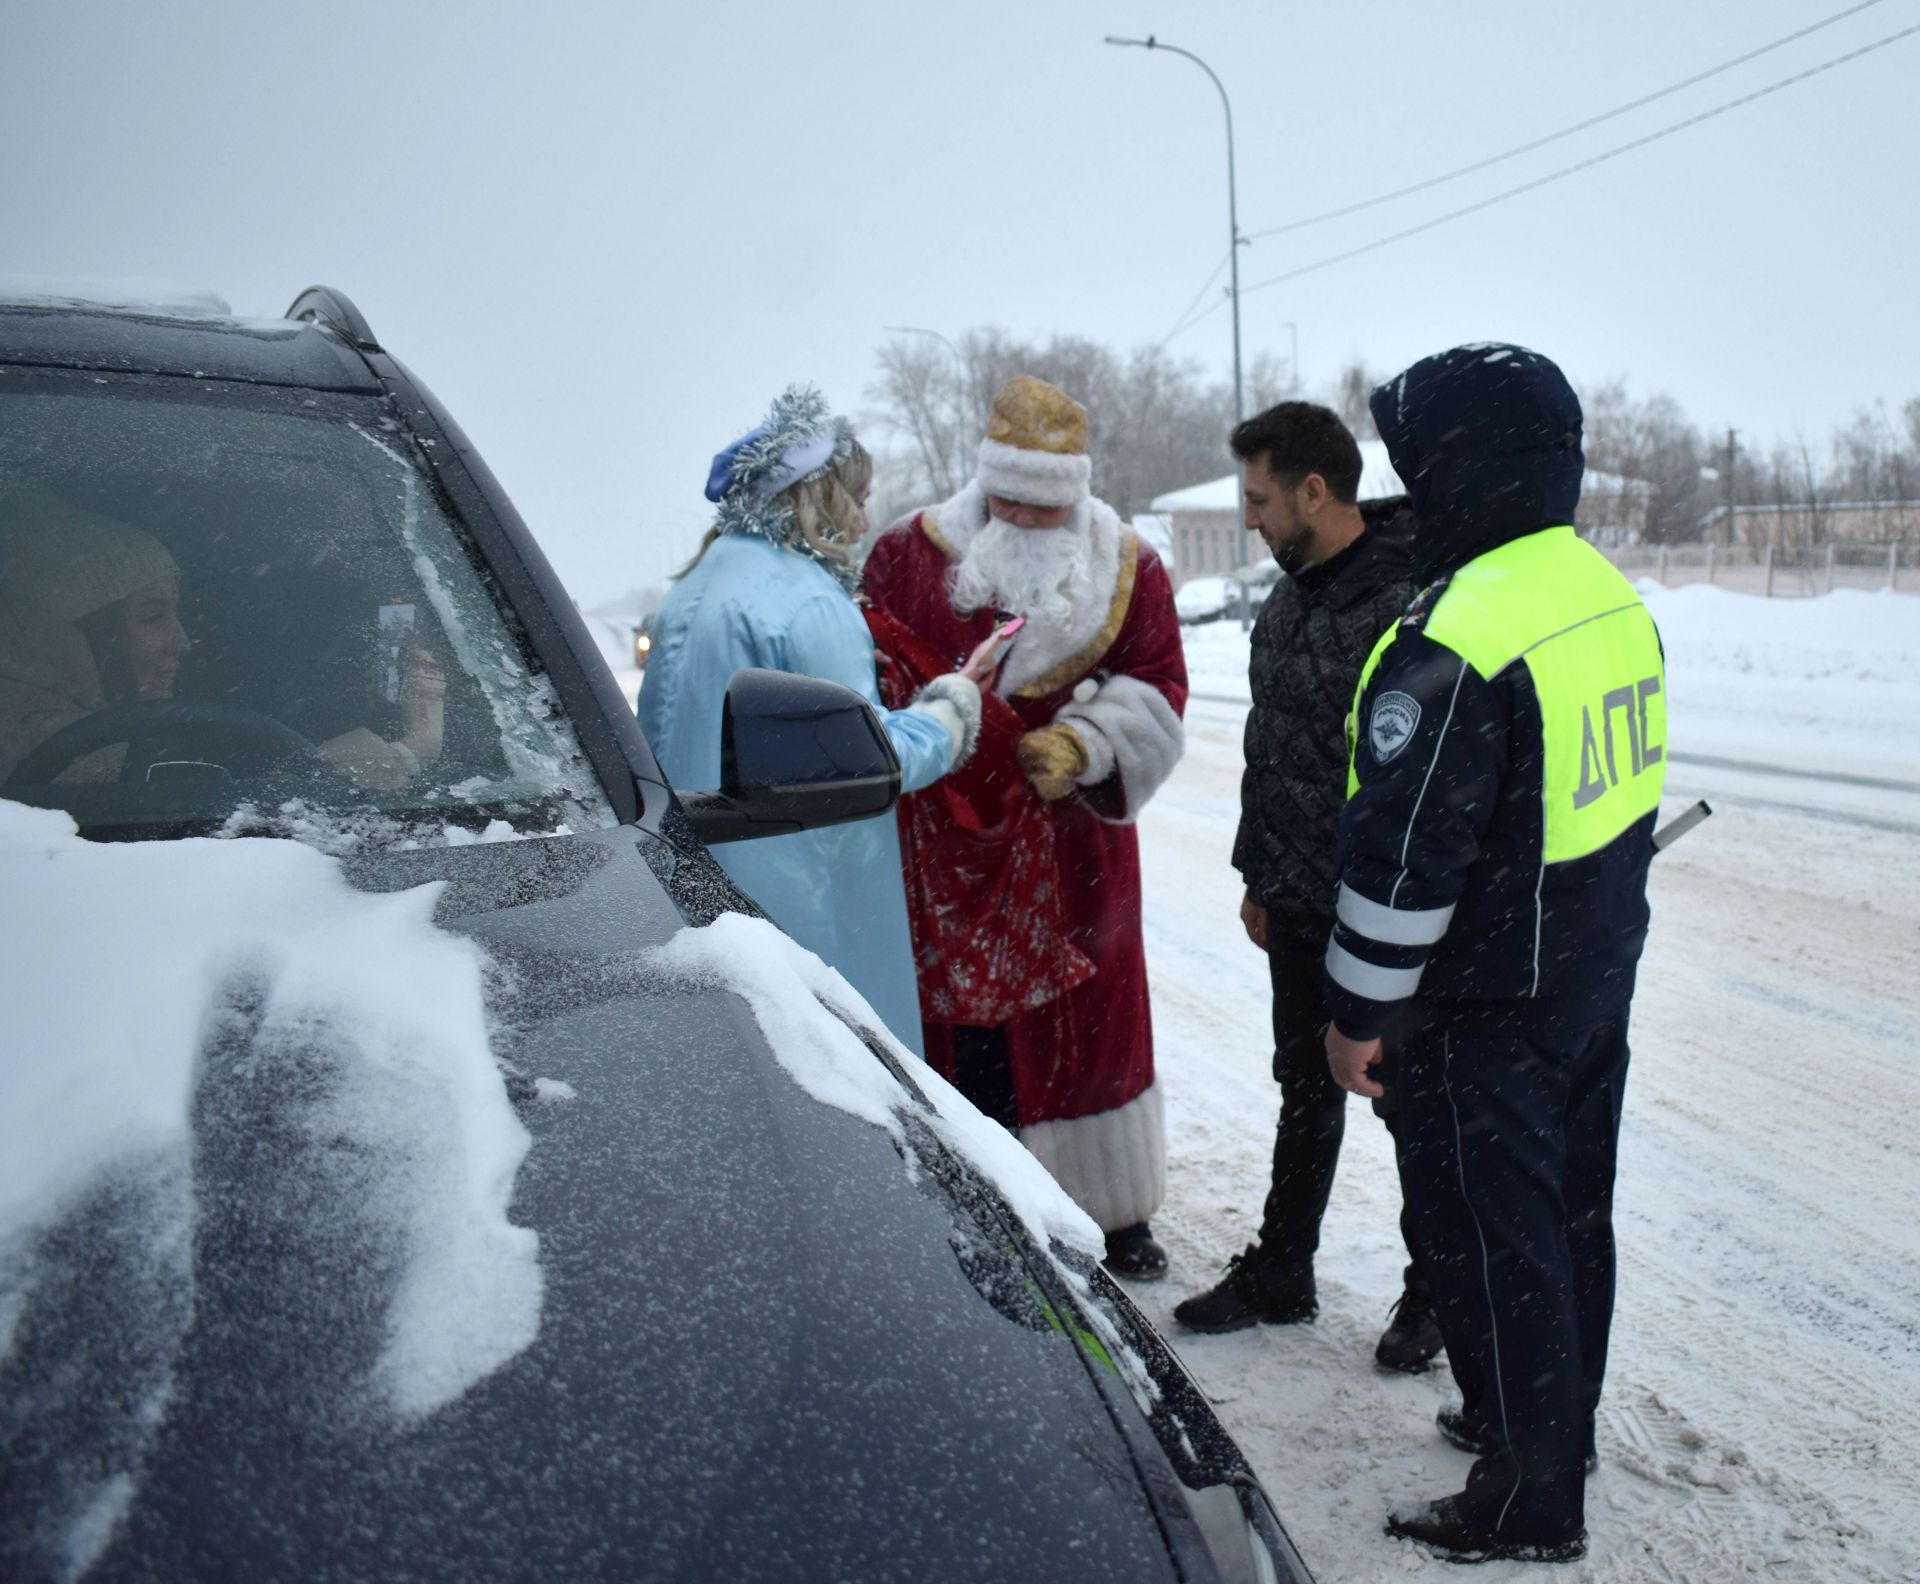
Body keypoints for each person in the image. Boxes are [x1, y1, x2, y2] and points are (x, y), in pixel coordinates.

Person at [1323, 344, 1667, 1565]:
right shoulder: (1598, 588)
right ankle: (1540, 1422)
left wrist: (1355, 1012)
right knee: (1570, 1219)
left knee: (1490, 1233)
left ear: (1460, 469)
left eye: (1415, 462)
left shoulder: (1461, 632)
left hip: (1485, 1003)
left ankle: (1529, 1495)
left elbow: (1409, 857)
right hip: (1589, 972)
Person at [863, 374, 1188, 1279]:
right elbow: (872, 672)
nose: (1029, 525)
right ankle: (974, 1187)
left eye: (1047, 510)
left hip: (1071, 839)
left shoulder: (1130, 565)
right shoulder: (906, 552)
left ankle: (1112, 1211)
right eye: (1010, 505)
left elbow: (1159, 682)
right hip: (946, 838)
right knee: (962, 1030)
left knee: (1088, 1024)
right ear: (984, 487)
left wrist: (1086, 745)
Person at [1173, 402, 1441, 1372]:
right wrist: (1258, 873)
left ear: (1314, 492)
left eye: (1258, 498)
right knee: (1303, 1085)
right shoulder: (1284, 605)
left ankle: (1434, 1291)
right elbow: (1271, 754)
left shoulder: (1409, 603)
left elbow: (1422, 781)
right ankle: (1285, 1266)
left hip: (1386, 909)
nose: (1249, 517)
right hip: (1294, 896)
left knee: (1409, 1099)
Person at [637, 385, 988, 1058]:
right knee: (848, 1080)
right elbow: (865, 759)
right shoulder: (808, 602)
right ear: (815, 499)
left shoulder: (691, 590)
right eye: (853, 500)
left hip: (701, 896)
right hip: (807, 908)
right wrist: (951, 710)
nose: (861, 523)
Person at [0, 485, 443, 790]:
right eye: (152, 617)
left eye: (176, 615)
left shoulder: (76, 719)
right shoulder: (41, 743)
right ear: (57, 634)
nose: (183, 643)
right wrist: (413, 747)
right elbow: (251, 803)